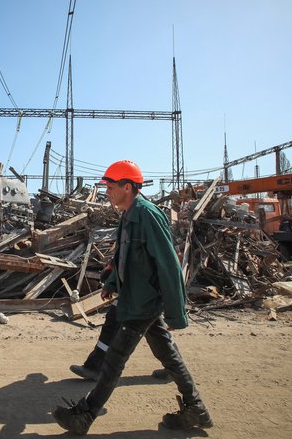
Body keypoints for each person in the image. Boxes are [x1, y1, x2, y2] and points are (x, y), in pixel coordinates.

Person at [52, 160, 212, 434]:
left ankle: (85, 415)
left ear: (128, 187)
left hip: (144, 302)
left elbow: (169, 265)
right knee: (167, 354)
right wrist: (112, 282)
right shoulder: (127, 216)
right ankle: (195, 408)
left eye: (111, 187)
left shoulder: (147, 215)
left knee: (114, 359)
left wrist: (177, 313)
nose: (107, 192)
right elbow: (123, 258)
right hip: (134, 298)